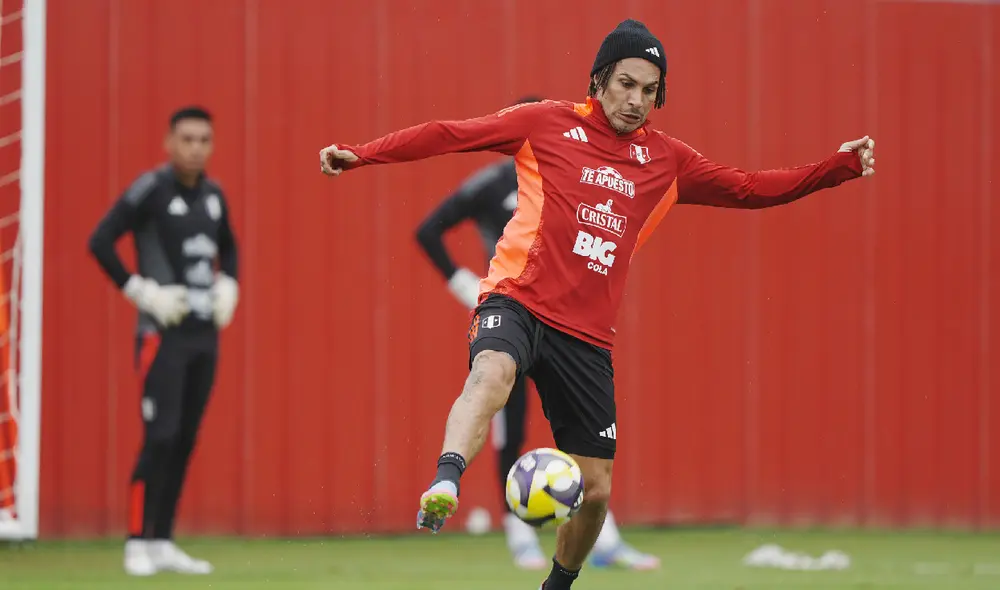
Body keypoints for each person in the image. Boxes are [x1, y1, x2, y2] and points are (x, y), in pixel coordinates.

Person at [319, 19, 875, 590]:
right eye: (626, 84)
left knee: (598, 489)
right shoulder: (543, 122)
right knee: (491, 374)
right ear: (600, 80)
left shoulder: (668, 161)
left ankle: (556, 586)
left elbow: (750, 188)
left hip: (585, 337)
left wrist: (837, 167)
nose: (636, 100)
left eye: (649, 90)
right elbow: (449, 134)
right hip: (518, 298)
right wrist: (362, 155)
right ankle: (446, 480)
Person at [413, 95, 659, 572]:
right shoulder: (491, 183)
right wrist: (462, 283)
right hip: (513, 311)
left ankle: (604, 539)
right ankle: (519, 534)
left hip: (563, 318)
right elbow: (428, 230)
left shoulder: (579, 177)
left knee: (580, 434)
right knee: (507, 420)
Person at [88, 106, 240, 576]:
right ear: (169, 143)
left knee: (185, 439)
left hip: (203, 336)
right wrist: (141, 291)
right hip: (161, 335)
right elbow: (100, 241)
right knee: (161, 436)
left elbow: (230, 246)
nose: (195, 148)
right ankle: (136, 542)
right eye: (187, 139)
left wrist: (230, 284)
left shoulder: (214, 195)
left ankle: (162, 541)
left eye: (203, 140)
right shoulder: (150, 190)